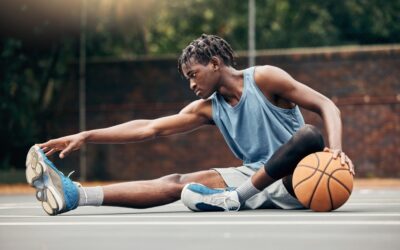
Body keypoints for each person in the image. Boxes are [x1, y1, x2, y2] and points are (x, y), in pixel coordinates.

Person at [25, 34, 354, 216]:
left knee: (310, 135)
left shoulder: (265, 78)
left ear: (215, 64)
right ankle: (77, 197)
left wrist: (336, 152)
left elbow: (327, 105)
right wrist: (87, 135)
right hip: (255, 175)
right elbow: (149, 127)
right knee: (177, 182)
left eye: (193, 75)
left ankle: (235, 198)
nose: (192, 85)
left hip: (299, 176)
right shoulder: (207, 109)